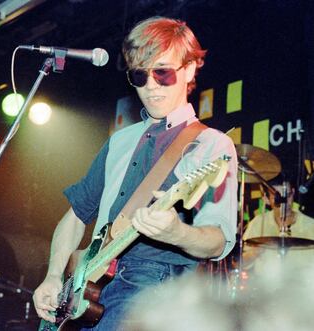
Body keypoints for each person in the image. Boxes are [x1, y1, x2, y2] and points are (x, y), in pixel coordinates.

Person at [33, 16, 238, 330]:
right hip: (93, 291)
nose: (151, 85)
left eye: (163, 72)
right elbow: (75, 216)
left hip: (154, 287)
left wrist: (177, 234)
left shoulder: (210, 145)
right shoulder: (120, 141)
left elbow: (218, 240)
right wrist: (53, 276)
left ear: (190, 69)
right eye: (140, 75)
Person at [243, 179, 314, 272]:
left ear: (293, 193)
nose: (285, 203)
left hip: (302, 284)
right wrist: (255, 252)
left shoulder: (310, 225)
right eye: (278, 198)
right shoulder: (258, 223)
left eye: (288, 195)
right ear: (266, 199)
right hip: (264, 284)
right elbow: (240, 264)